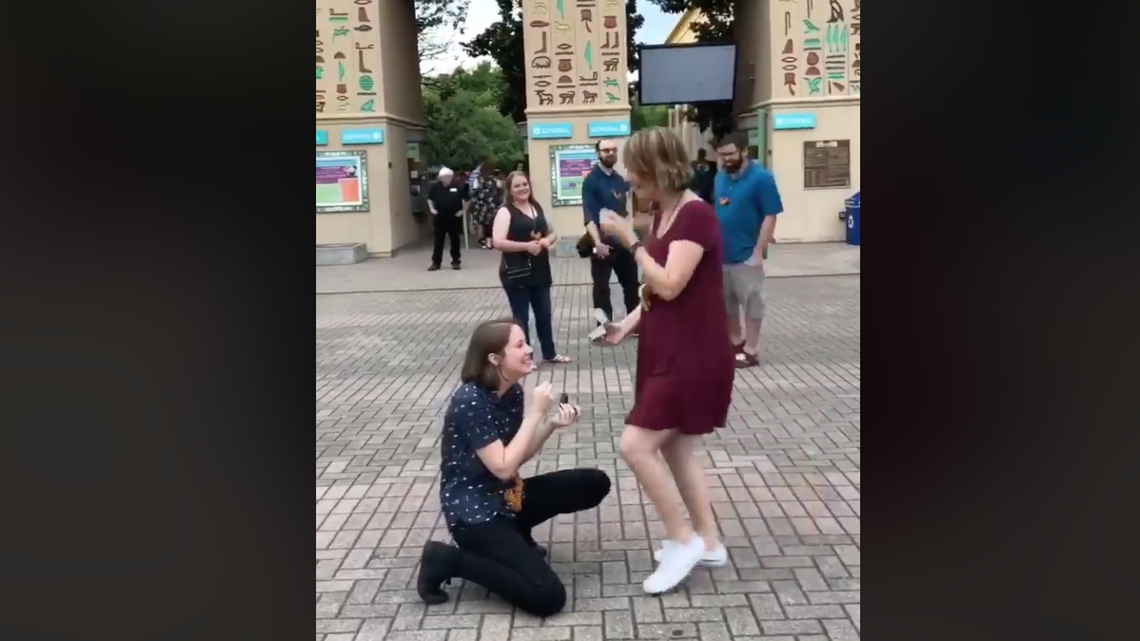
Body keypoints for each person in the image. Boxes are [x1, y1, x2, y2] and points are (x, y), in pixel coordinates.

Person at [597, 126, 733, 595]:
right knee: (676, 448)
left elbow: (671, 282)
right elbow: (657, 291)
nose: (630, 177)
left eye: (637, 169)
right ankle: (708, 541)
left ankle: (682, 540)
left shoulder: (695, 216)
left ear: (661, 169)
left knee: (635, 445)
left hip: (692, 352)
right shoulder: (664, 211)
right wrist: (628, 323)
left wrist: (628, 241)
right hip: (667, 345)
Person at [416, 318, 611, 616]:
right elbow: (503, 468)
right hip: (475, 515)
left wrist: (550, 425)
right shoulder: (470, 401)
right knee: (547, 597)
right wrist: (535, 413)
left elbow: (516, 455)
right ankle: (449, 560)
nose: (530, 349)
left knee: (594, 482)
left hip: (506, 498)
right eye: (519, 345)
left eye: (526, 342)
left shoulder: (512, 392)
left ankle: (515, 534)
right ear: (495, 359)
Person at [712, 132, 783, 368]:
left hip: (746, 256)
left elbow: (770, 216)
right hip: (722, 254)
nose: (725, 159)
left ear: (744, 151)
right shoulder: (720, 177)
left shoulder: (762, 178)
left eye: (730, 154)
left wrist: (758, 252)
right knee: (727, 304)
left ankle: (751, 350)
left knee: (752, 304)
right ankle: (736, 343)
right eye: (722, 155)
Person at [493, 171, 572, 365]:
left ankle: (549, 353)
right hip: (516, 272)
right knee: (521, 318)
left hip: (539, 270)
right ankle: (524, 358)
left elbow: (552, 233)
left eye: (525, 184)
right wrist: (526, 246)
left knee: (544, 313)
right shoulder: (505, 212)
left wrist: (546, 240)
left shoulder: (536, 207)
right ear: (510, 191)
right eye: (517, 186)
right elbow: (498, 241)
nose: (522, 189)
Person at [582, 139, 640, 325]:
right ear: (598, 153)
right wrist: (597, 242)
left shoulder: (619, 180)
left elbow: (627, 210)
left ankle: (634, 324)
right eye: (606, 150)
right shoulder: (591, 181)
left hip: (622, 242)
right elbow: (589, 215)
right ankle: (603, 328)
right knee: (601, 289)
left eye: (613, 150)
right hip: (602, 243)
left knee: (631, 285)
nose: (610, 153)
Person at [427, 167, 469, 271]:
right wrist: (432, 209)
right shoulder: (435, 187)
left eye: (447, 177)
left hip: (454, 217)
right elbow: (429, 198)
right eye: (443, 177)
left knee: (455, 239)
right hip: (440, 217)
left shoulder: (458, 186)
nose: (445, 179)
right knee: (438, 241)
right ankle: (436, 262)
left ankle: (456, 261)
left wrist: (462, 211)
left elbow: (468, 199)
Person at [472, 166, 505, 249]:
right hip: (489, 205)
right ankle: (489, 241)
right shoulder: (496, 182)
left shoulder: (479, 181)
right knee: (488, 224)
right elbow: (501, 193)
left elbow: (474, 193)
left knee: (486, 224)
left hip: (486, 205)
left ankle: (488, 241)